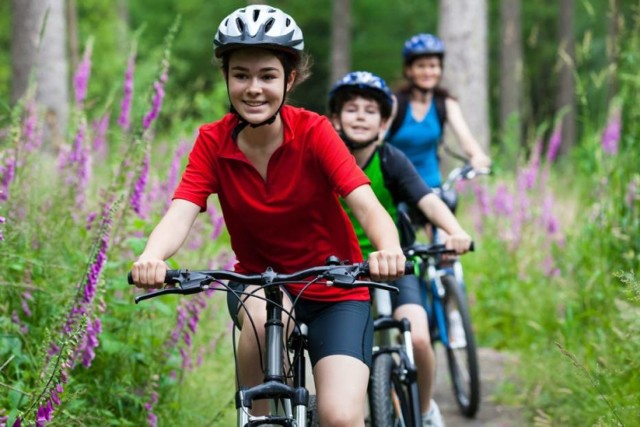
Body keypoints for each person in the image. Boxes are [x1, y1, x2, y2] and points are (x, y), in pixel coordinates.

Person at [129, 5, 406, 426]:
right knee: (260, 318)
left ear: (289, 79)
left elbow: (365, 203)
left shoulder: (314, 132)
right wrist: (153, 256)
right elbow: (180, 211)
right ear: (226, 78)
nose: (253, 88)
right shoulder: (211, 142)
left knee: (341, 417)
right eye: (241, 75)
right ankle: (258, 420)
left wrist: (389, 250)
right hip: (262, 283)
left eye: (267, 76)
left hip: (335, 290)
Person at [328, 70, 473, 427]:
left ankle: (424, 409)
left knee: (419, 337)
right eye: (351, 109)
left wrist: (454, 230)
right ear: (335, 119)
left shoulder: (390, 159)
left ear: (384, 122)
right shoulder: (324, 158)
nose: (360, 116)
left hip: (398, 263)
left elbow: (427, 200)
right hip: (339, 269)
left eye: (370, 110)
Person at [386, 33, 491, 190]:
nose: (428, 72)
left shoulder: (446, 104)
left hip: (430, 187)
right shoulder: (395, 103)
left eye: (433, 66)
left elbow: (466, 139)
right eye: (421, 66)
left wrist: (477, 156)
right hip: (393, 187)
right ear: (409, 70)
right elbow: (376, 140)